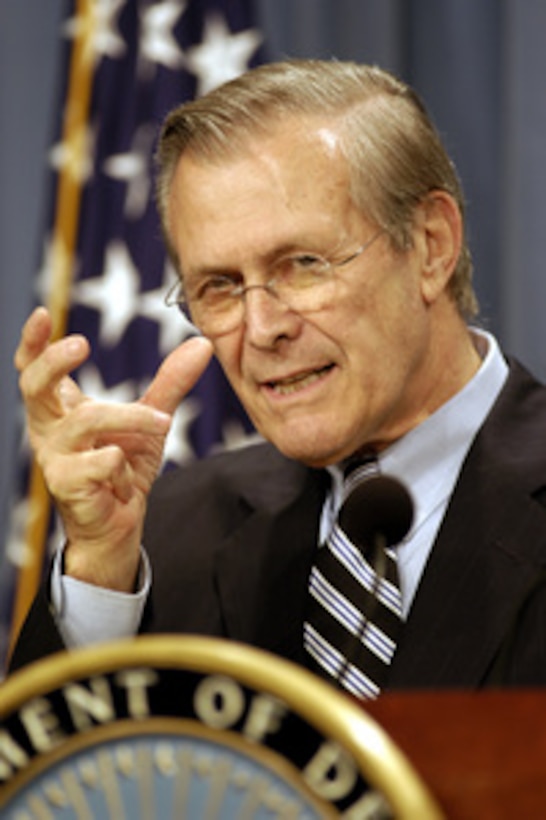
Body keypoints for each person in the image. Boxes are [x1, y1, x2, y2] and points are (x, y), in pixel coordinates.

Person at [9, 59, 546, 695]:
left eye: (303, 265)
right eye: (219, 286)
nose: (261, 327)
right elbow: (50, 792)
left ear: (430, 244)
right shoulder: (164, 539)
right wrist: (99, 572)